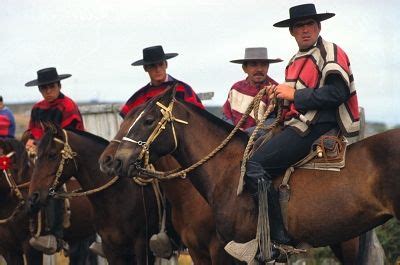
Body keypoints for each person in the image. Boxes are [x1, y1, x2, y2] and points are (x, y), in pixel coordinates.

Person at [245, 3, 360, 246]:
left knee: (255, 164)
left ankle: (276, 238)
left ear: (318, 27)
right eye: (299, 26)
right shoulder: (295, 60)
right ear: (292, 32)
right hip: (297, 122)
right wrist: (279, 98)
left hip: (318, 125)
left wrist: (294, 96)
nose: (305, 30)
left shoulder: (331, 51)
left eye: (310, 25)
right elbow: (291, 97)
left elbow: (337, 94)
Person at [24, 67, 84, 254]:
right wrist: (30, 143)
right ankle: (29, 227)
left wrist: (42, 146)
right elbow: (32, 132)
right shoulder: (37, 108)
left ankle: (55, 234)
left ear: (58, 85)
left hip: (66, 154)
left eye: (51, 87)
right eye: (44, 88)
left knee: (52, 185)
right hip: (42, 156)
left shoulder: (68, 106)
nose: (48, 91)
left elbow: (71, 135)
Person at [120, 45, 204, 118]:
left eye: (161, 64)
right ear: (145, 68)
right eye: (152, 66)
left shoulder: (183, 89)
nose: (158, 69)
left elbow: (199, 117)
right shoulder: (141, 96)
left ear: (166, 65)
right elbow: (127, 121)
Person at [222, 47, 282, 132]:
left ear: (268, 67)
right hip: (233, 138)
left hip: (259, 142)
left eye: (263, 65)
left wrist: (246, 133)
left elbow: (274, 121)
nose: (259, 69)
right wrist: (233, 131)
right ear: (245, 68)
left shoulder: (275, 90)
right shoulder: (236, 88)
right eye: (254, 64)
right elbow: (227, 115)